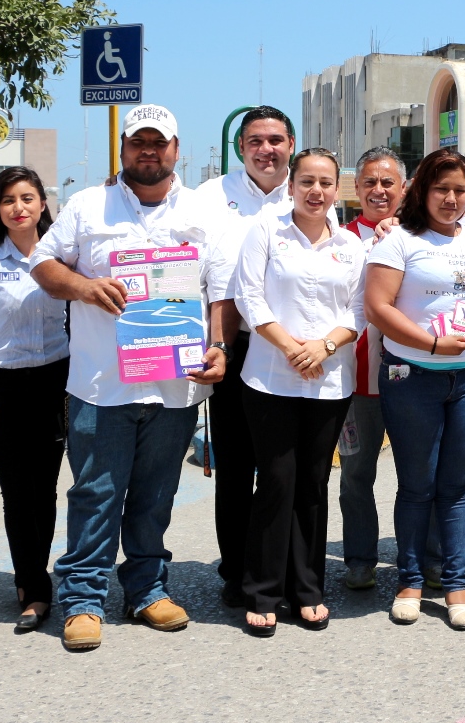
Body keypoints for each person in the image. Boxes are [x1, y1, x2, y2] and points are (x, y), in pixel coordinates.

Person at [31, 104, 228, 652]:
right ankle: (83, 599)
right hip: (100, 384)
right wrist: (84, 287)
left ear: (176, 149)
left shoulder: (202, 211)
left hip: (176, 385)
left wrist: (219, 347)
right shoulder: (87, 205)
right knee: (95, 493)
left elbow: (220, 293)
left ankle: (146, 588)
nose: (149, 150)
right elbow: (44, 266)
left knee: (155, 495)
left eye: (158, 142)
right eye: (138, 141)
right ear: (123, 150)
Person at [364, 148, 465, 630]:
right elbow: (379, 308)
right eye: (441, 189)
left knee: (457, 487)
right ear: (421, 190)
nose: (451, 199)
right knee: (417, 486)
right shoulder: (399, 241)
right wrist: (431, 344)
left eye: (460, 191)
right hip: (411, 377)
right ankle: (409, 581)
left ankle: (457, 583)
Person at [231, 148, 365, 636]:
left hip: (329, 381)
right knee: (276, 482)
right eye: (307, 181)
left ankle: (307, 589)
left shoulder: (352, 247)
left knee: (313, 485)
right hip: (270, 377)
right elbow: (249, 297)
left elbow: (358, 311)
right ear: (291, 186)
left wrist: (324, 347)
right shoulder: (266, 231)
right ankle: (263, 590)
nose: (316, 191)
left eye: (326, 183)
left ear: (337, 190)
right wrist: (292, 348)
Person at [196, 105, 301, 609]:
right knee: (236, 468)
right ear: (240, 148)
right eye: (256, 141)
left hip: (290, 354)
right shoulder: (207, 199)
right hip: (232, 350)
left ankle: (279, 569)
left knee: (283, 470)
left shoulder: (306, 193)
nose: (267, 150)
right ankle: (237, 570)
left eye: (276, 140)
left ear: (292, 144)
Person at [0, 167, 69, 633]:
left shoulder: (63, 260)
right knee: (17, 492)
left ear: (44, 204)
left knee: (45, 489)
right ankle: (31, 584)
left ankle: (41, 580)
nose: (19, 207)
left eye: (28, 198)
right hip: (3, 387)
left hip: (56, 382)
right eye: (8, 200)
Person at [338, 146, 407, 591]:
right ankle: (360, 559)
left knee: (418, 476)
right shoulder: (338, 237)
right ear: (357, 188)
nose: (379, 191)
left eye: (388, 182)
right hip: (352, 380)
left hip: (411, 378)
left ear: (404, 188)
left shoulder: (422, 234)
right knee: (355, 474)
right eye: (370, 183)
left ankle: (420, 559)